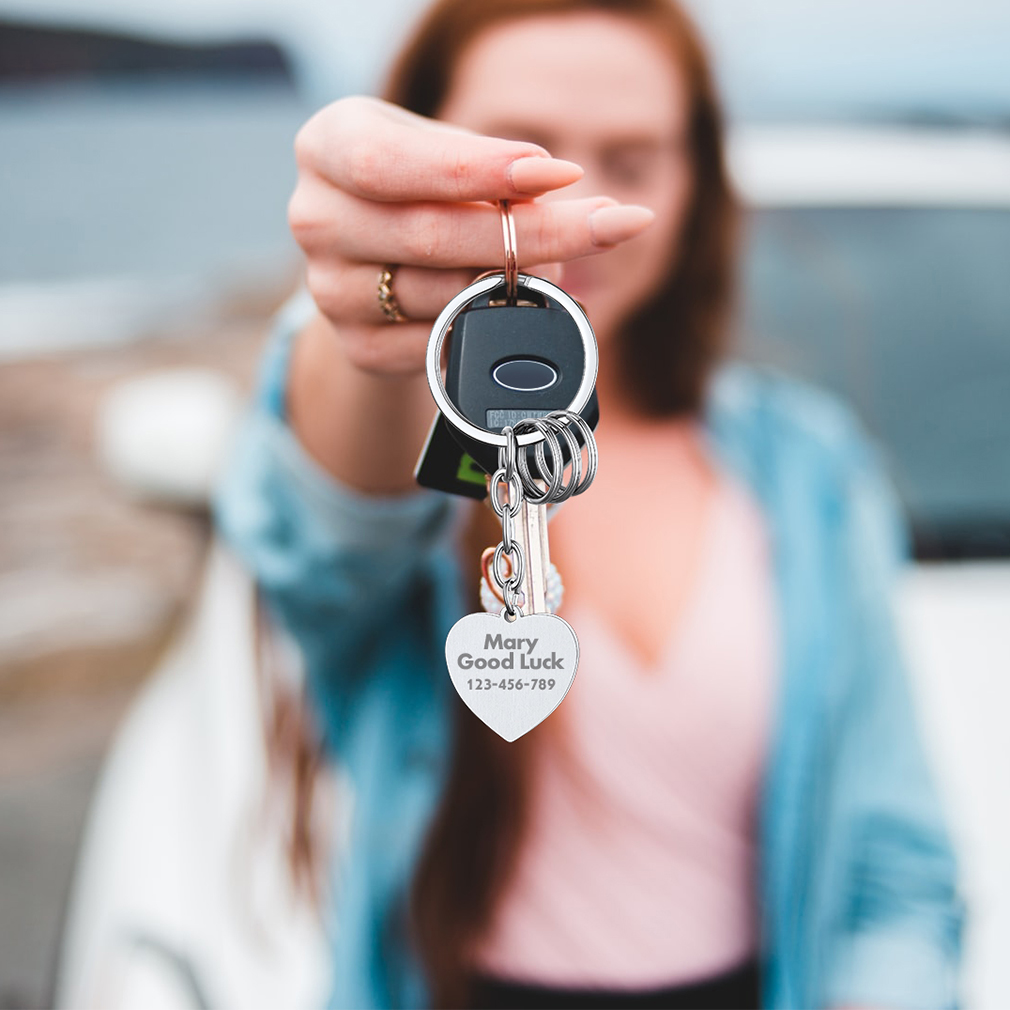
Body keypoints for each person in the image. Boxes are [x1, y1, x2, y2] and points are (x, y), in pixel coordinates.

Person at [215, 0, 965, 1007]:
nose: (568, 203)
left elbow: (892, 865)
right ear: (421, 158)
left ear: (693, 180)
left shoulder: (809, 471)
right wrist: (356, 316)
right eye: (516, 157)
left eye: (630, 157)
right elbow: (323, 539)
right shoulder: (421, 445)